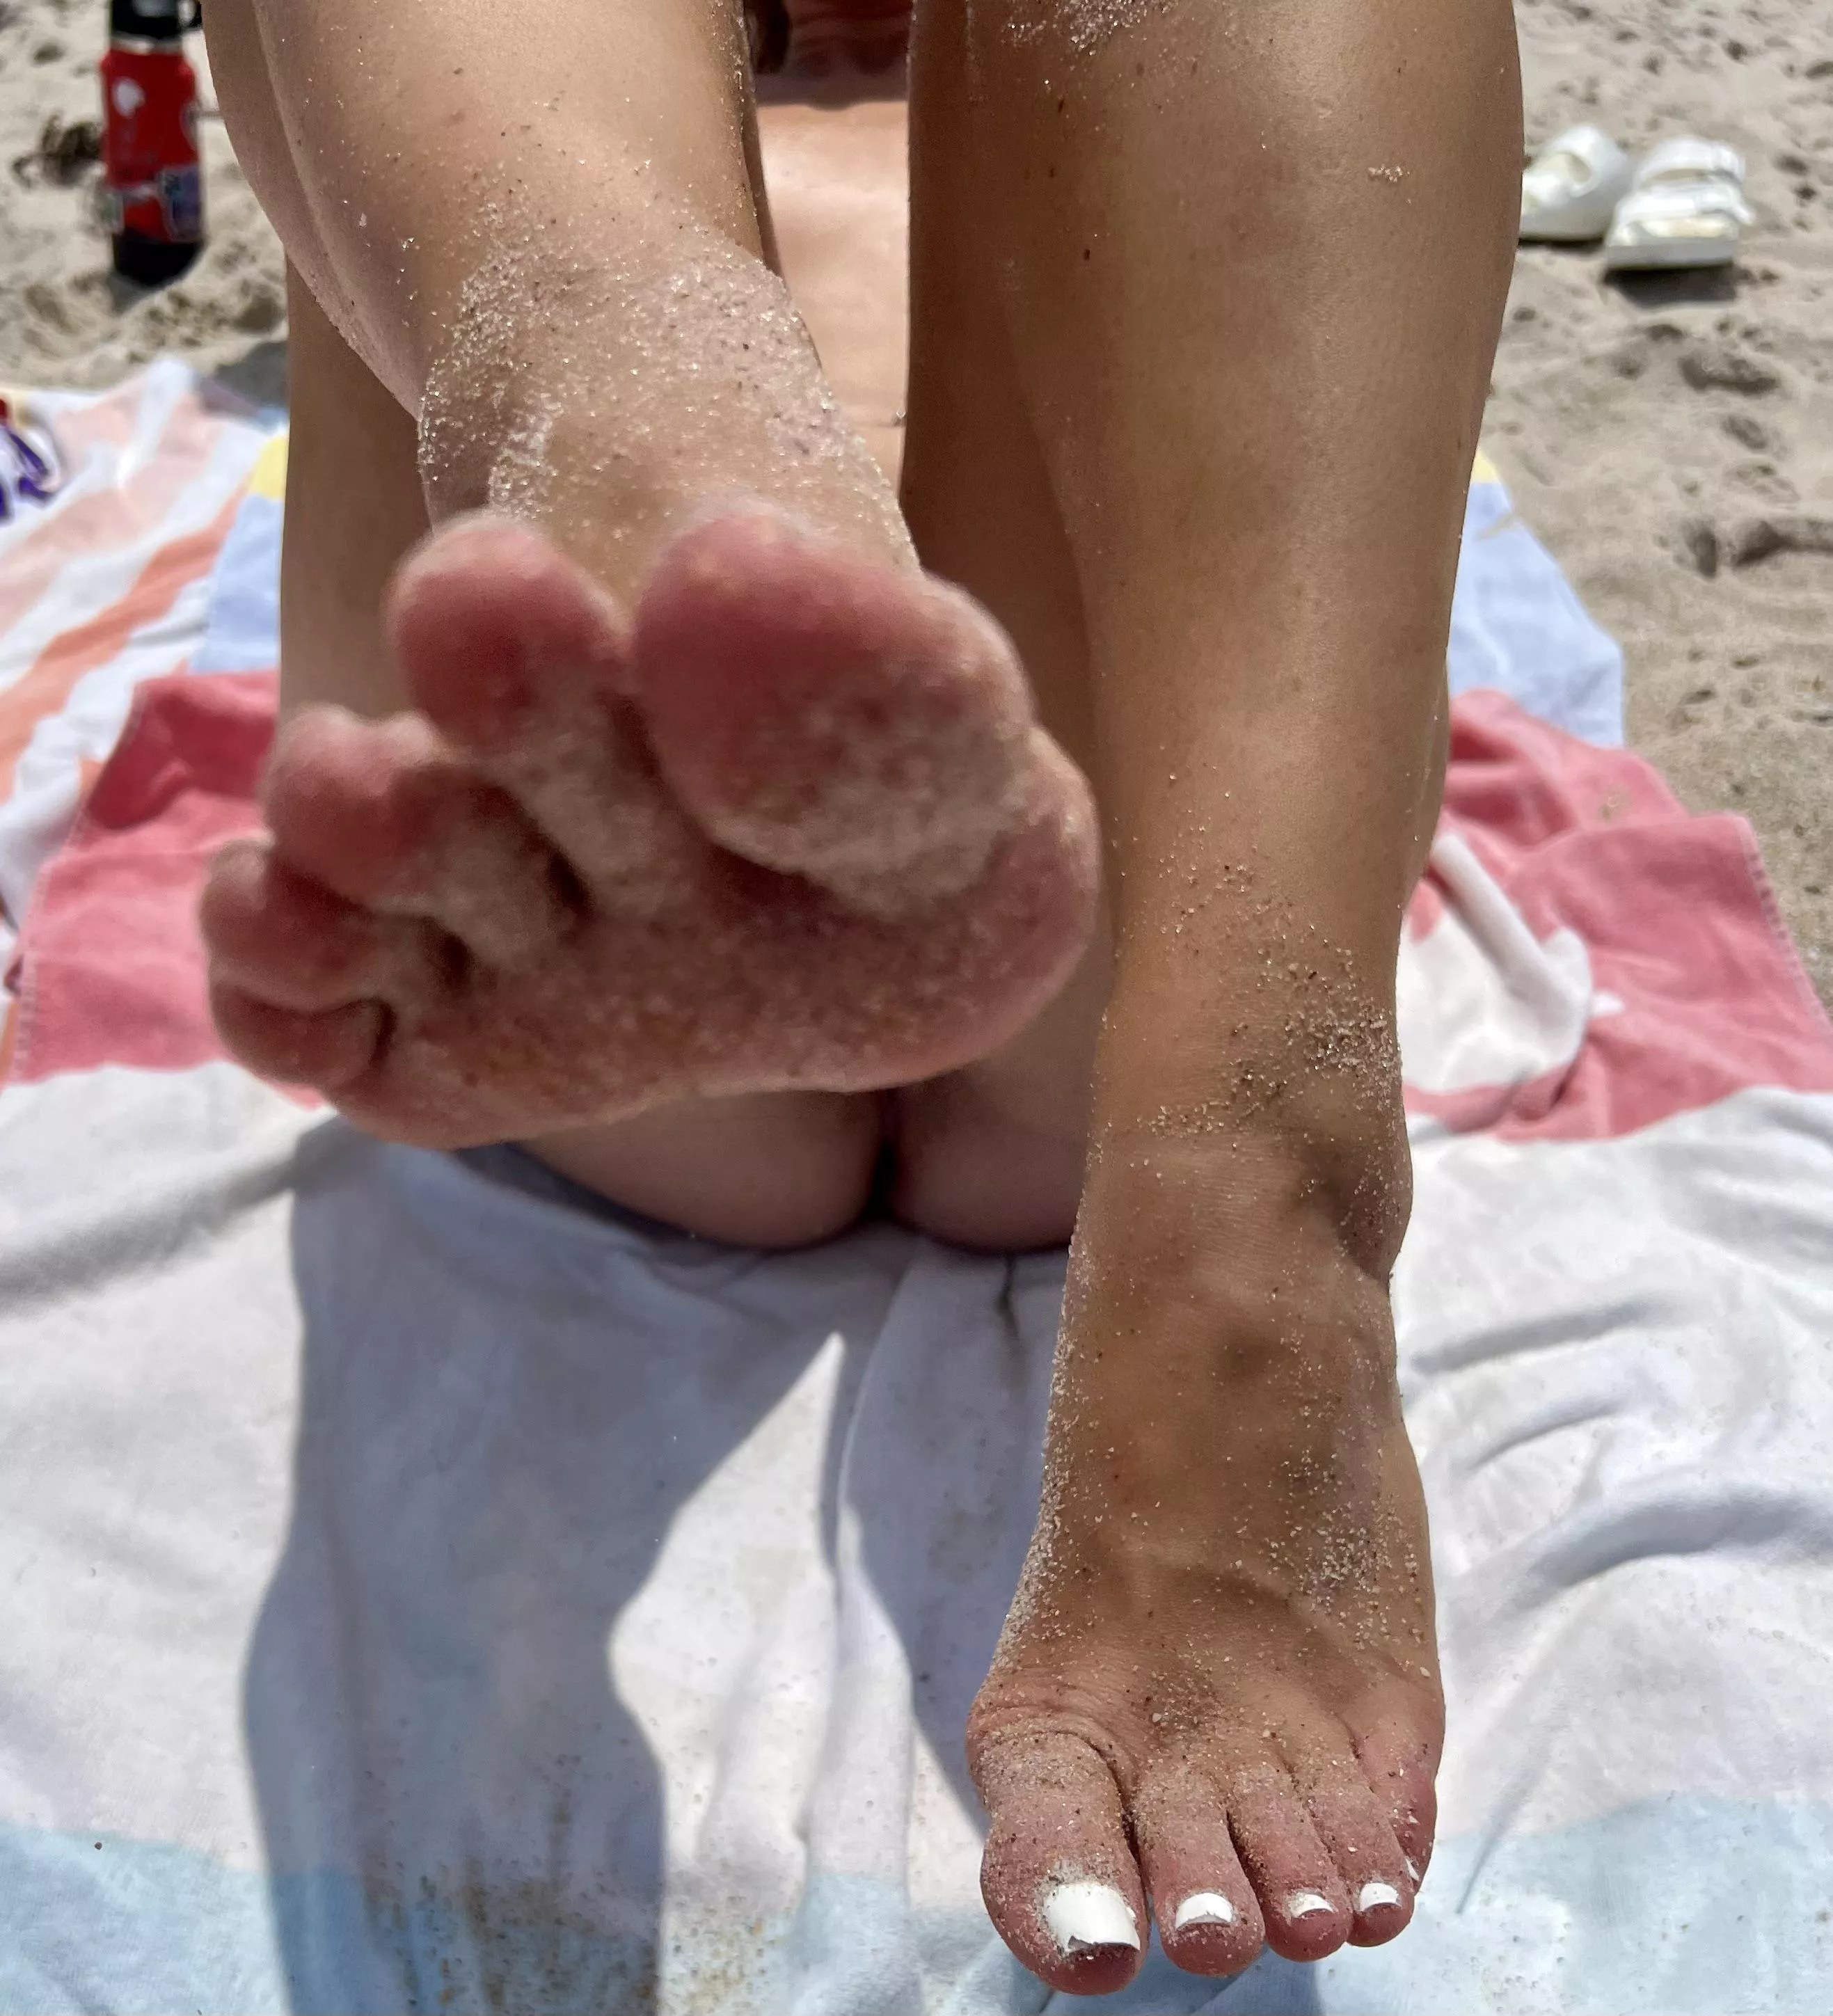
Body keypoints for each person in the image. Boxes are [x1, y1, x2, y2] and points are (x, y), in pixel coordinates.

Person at [196, 0, 1520, 1993]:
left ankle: (653, 462)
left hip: (944, 870)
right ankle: (648, 454)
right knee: (541, 249)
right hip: (877, 876)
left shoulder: (993, 99)